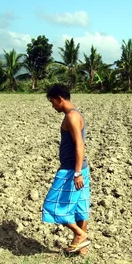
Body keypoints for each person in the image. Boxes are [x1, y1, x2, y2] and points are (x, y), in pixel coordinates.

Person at [42, 84, 91, 255]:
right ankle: (82, 250)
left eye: (52, 102)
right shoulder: (75, 114)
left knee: (51, 206)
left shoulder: (71, 116)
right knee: (80, 209)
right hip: (79, 168)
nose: (53, 106)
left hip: (72, 170)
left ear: (60, 99)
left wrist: (76, 173)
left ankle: (80, 233)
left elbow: (80, 144)